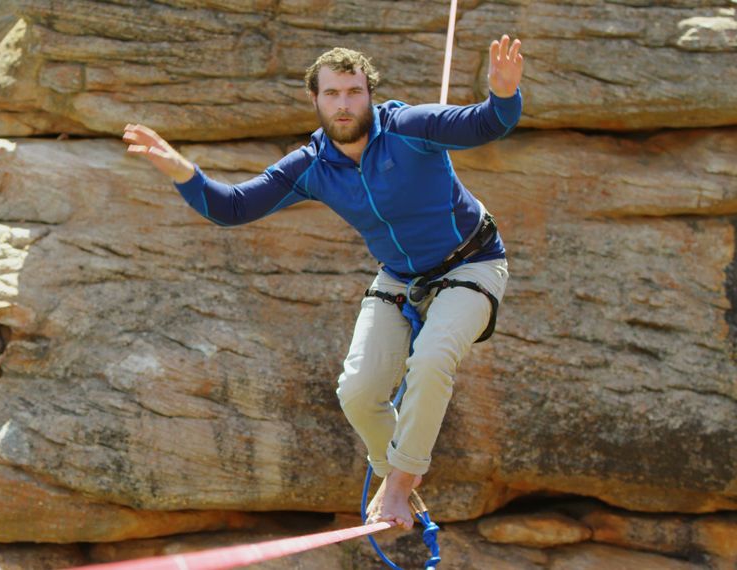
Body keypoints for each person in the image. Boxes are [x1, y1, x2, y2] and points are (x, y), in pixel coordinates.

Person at [123, 35, 525, 530]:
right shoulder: (311, 166)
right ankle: (397, 481)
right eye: (332, 93)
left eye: (354, 91)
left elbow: (488, 123)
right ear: (312, 99)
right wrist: (182, 171)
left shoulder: (409, 127)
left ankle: (399, 486)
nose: (343, 103)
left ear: (369, 95)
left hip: (472, 262)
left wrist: (503, 94)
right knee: (356, 392)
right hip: (400, 278)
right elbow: (232, 208)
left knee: (434, 356)